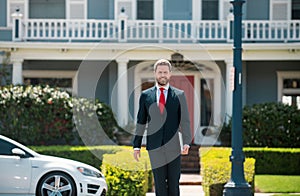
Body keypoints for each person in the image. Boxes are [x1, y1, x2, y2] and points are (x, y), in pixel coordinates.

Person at [133, 59, 192, 196]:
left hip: (174, 147)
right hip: (154, 146)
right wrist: (136, 145)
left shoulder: (179, 95)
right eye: (160, 72)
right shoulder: (145, 96)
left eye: (165, 72)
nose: (163, 75)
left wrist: (186, 142)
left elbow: (185, 121)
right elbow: (141, 122)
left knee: (173, 183)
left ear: (170, 74)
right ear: (155, 73)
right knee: (159, 184)